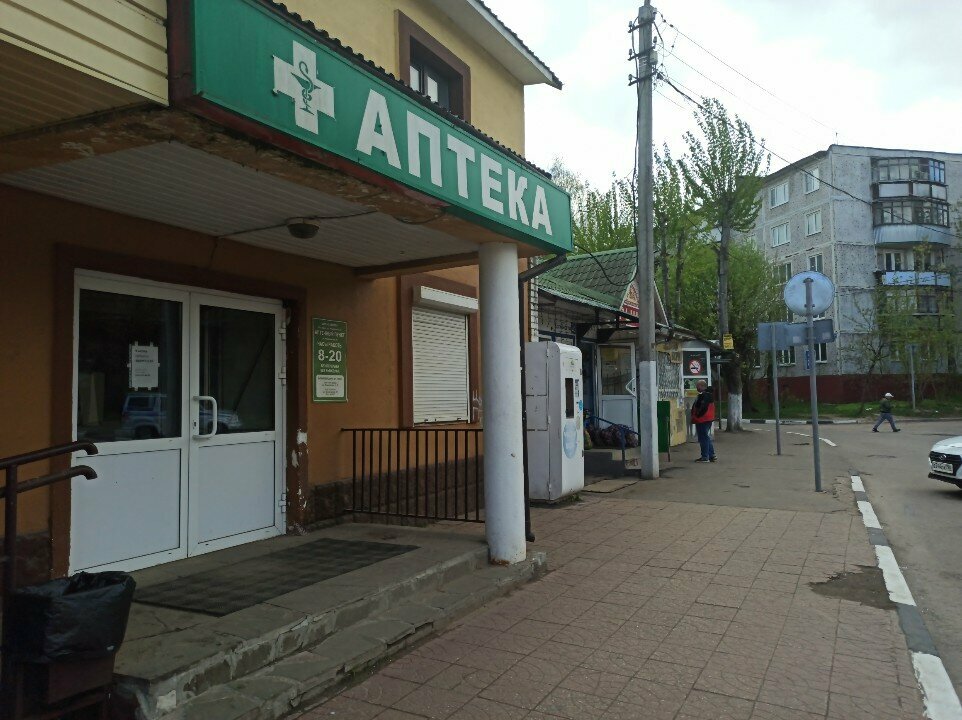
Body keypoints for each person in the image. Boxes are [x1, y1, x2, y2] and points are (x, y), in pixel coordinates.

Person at [691, 379, 717, 462]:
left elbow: (702, 407)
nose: (696, 388)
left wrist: (697, 415)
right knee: (706, 437)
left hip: (702, 419)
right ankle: (711, 455)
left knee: (703, 438)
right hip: (708, 418)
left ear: (702, 386)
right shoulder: (709, 395)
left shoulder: (703, 395)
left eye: (697, 386)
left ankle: (705, 457)